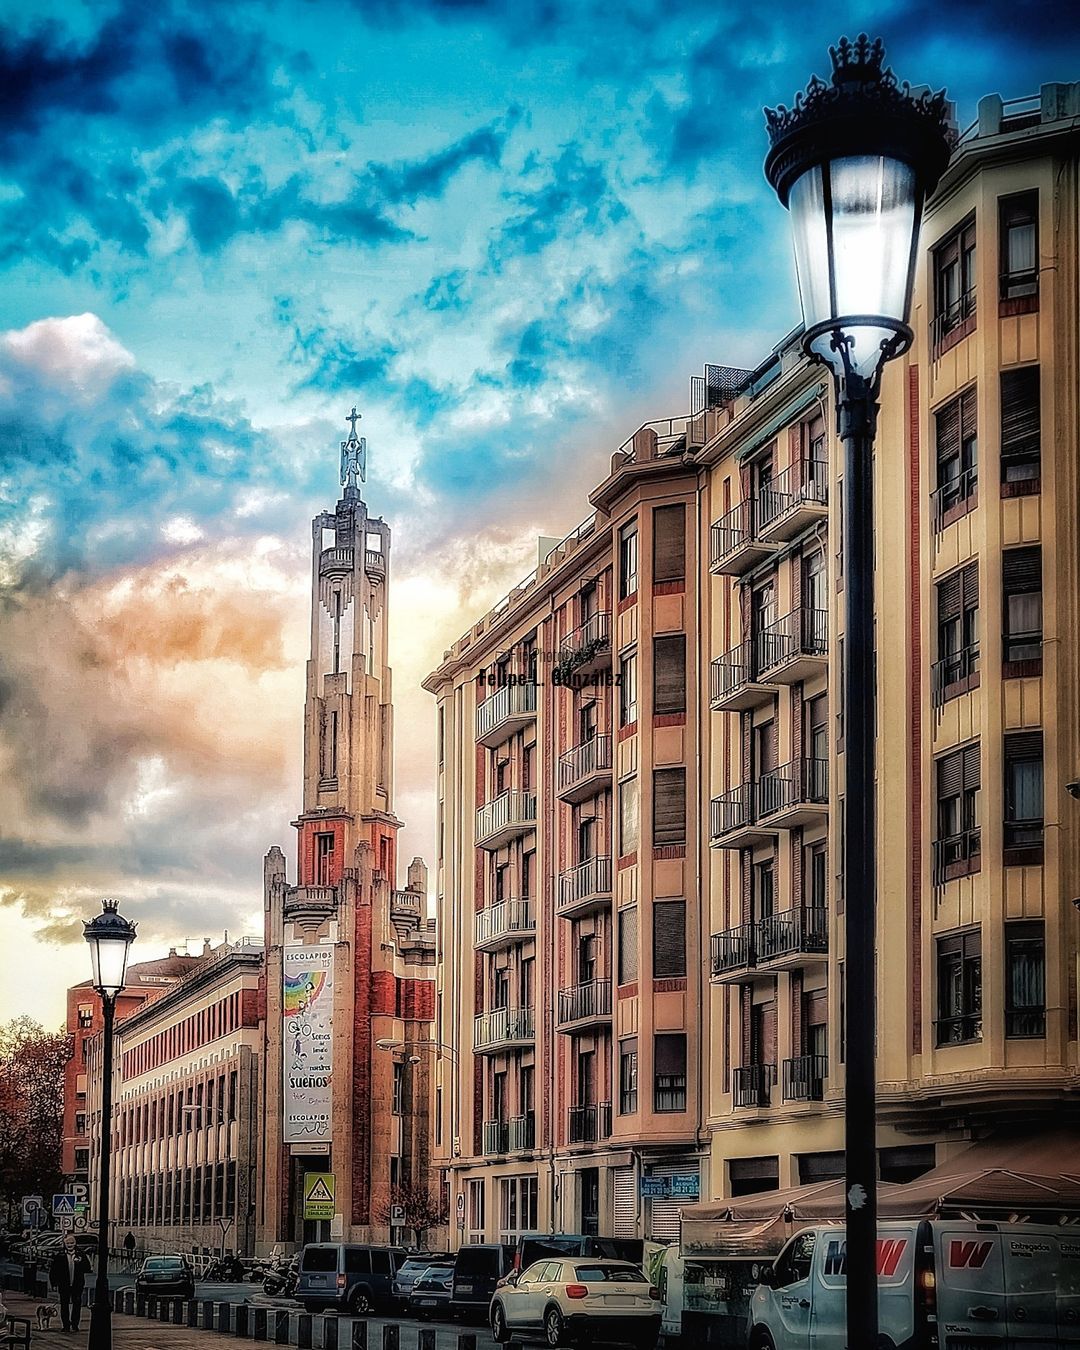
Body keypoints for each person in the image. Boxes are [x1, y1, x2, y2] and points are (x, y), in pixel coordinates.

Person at [48, 1233, 91, 1333]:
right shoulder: (60, 1255)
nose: (70, 1245)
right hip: (64, 1285)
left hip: (77, 1284)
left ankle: (75, 1325)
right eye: (68, 1243)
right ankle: (66, 1325)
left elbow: (88, 1268)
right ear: (64, 1244)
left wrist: (80, 1263)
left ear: (75, 1243)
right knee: (64, 1305)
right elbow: (54, 1271)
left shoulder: (81, 1254)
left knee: (76, 1304)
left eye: (72, 1242)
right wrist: (54, 1284)